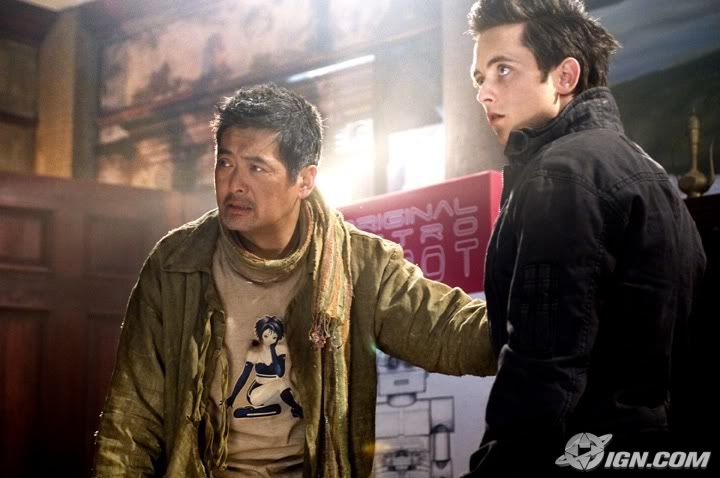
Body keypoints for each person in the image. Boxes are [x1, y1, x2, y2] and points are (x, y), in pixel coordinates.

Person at [93, 83, 496, 477]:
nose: (234, 184)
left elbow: (449, 331)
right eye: (225, 162)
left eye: (256, 167)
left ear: (304, 179)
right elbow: (132, 416)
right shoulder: (176, 264)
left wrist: (530, 319)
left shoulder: (359, 263)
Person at [463, 0, 706, 474]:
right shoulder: (650, 174)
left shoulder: (561, 175)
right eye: (479, 79)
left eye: (503, 70)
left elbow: (544, 368)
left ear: (564, 76)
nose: (485, 94)